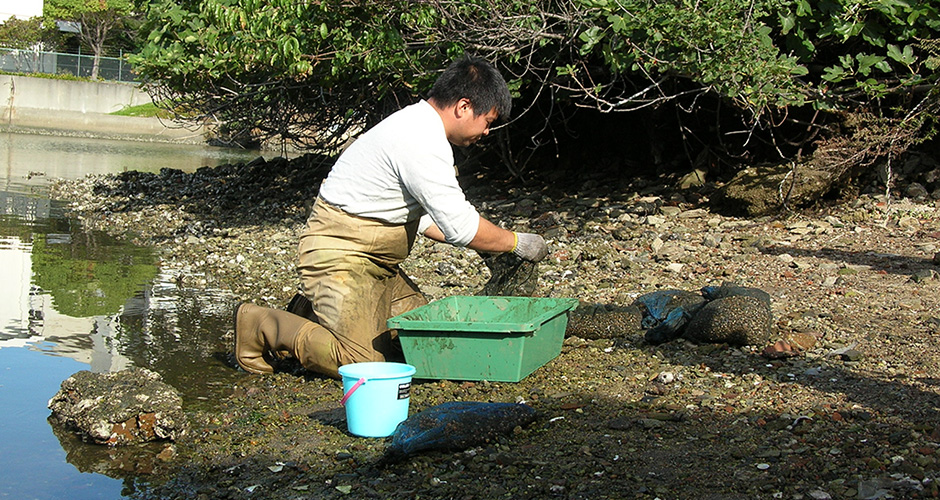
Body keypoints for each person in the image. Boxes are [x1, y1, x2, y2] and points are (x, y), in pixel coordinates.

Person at [233, 56, 549, 379]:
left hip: (377, 264)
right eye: (488, 121)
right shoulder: (420, 139)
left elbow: (426, 221)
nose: (486, 131)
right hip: (339, 256)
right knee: (362, 365)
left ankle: (313, 312)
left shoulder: (421, 130)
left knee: (416, 342)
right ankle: (258, 324)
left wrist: (491, 242)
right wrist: (516, 243)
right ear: (464, 106)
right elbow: (461, 226)